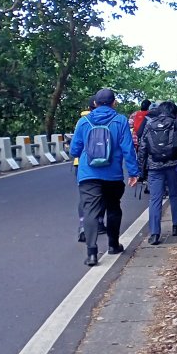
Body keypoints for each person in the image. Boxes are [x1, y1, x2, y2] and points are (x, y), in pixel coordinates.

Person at [69, 88, 140, 266]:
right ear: (113, 102)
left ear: (95, 103)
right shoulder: (120, 120)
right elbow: (128, 148)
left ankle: (92, 253)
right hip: (112, 175)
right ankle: (113, 245)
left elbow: (74, 150)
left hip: (88, 174)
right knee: (113, 208)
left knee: (90, 212)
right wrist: (134, 172)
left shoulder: (83, 121)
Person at [137, 101, 177, 245]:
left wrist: (140, 170)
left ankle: (155, 234)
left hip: (154, 166)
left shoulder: (150, 124)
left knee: (155, 199)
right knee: (174, 194)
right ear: (173, 111)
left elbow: (142, 147)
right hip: (174, 165)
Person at [75, 97, 106, 242]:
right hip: (106, 165)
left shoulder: (83, 120)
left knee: (86, 199)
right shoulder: (112, 119)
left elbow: (75, 148)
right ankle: (99, 221)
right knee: (103, 196)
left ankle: (83, 225)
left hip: (83, 164)